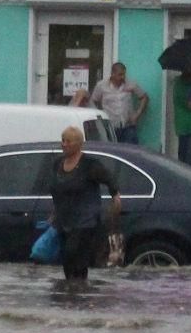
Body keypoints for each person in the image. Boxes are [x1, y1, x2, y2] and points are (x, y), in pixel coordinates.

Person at [41, 125, 120, 288]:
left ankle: (79, 291)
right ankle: (73, 294)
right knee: (66, 260)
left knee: (74, 254)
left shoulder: (89, 164)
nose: (64, 144)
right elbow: (57, 190)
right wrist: (54, 212)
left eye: (68, 141)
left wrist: (116, 197)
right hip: (64, 219)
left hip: (85, 220)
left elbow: (108, 179)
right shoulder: (58, 163)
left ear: (78, 144)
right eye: (62, 140)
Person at [81, 61, 149, 146]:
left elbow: (144, 97)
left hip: (128, 126)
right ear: (113, 74)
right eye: (120, 74)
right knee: (111, 151)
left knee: (130, 152)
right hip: (110, 127)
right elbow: (93, 101)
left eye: (124, 74)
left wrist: (137, 114)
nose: (122, 77)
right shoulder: (102, 86)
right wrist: (99, 118)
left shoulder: (130, 84)